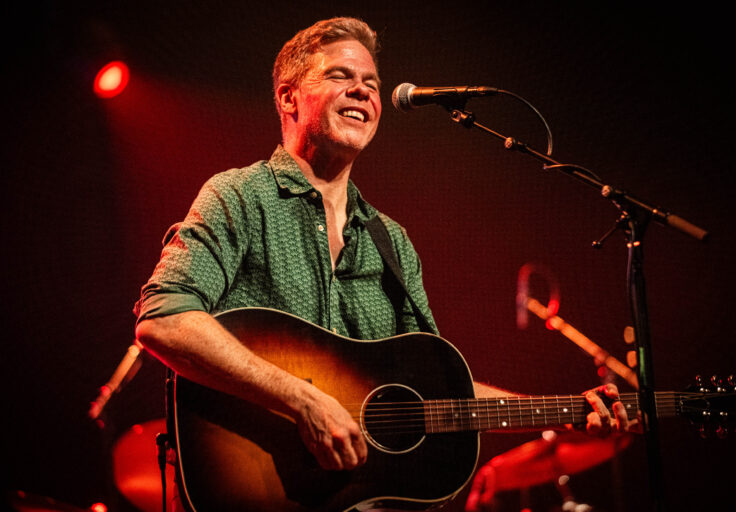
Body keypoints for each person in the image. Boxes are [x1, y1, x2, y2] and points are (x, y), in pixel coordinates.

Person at [134, 15, 634, 495]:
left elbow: (439, 394)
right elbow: (163, 320)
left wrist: (562, 412)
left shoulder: (390, 240)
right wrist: (302, 399)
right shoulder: (238, 197)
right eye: (339, 76)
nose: (363, 91)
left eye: (371, 82)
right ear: (288, 97)